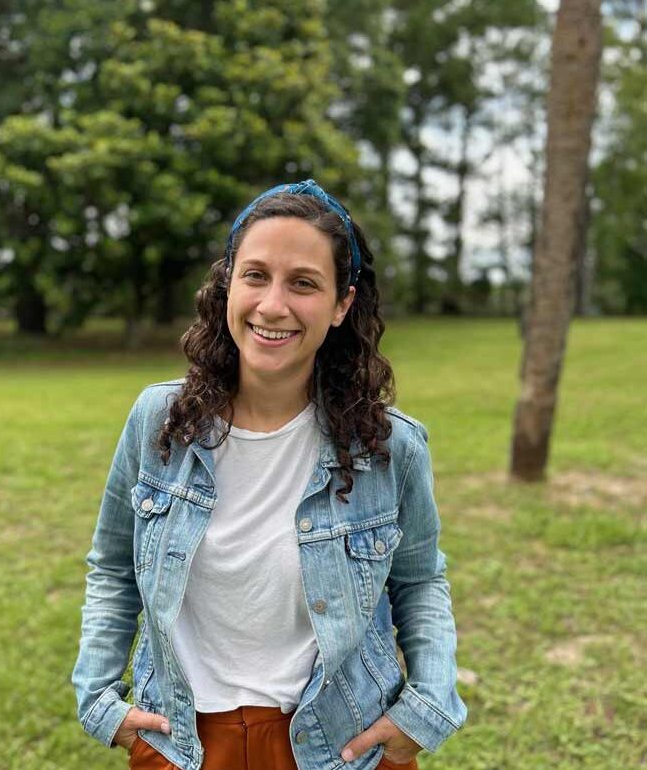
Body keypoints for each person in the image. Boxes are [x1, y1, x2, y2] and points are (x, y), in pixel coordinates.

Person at [71, 179, 467, 770]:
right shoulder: (159, 422)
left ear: (341, 304)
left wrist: (427, 706)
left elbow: (419, 584)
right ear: (228, 282)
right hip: (181, 744)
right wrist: (102, 703)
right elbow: (111, 567)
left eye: (303, 283)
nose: (273, 305)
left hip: (342, 744)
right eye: (255, 275)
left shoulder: (390, 447)